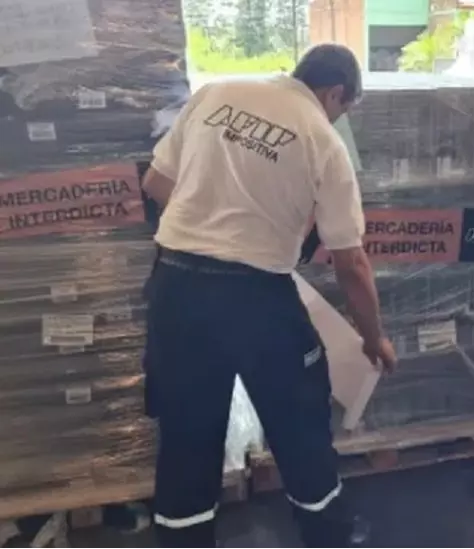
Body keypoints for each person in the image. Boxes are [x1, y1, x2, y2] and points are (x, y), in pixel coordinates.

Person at [140, 44, 398, 548]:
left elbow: (155, 183)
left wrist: (213, 221)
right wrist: (374, 338)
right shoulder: (323, 141)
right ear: (336, 93)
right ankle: (328, 535)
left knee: (187, 431)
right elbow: (351, 263)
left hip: (176, 286)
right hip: (257, 298)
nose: (339, 117)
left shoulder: (216, 94)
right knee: (299, 421)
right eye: (344, 108)